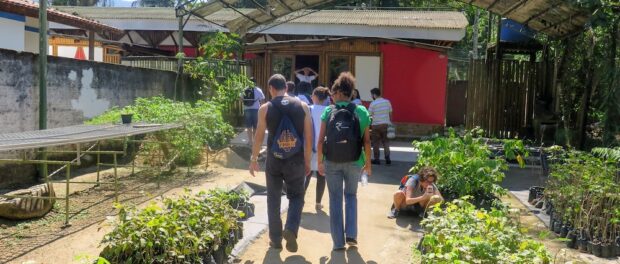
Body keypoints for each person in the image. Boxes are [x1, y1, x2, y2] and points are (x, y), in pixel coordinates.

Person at [249, 74, 313, 253]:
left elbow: (259, 136)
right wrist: (307, 161)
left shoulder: (265, 108)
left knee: (273, 198)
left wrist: (254, 159)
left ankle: (275, 240)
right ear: (286, 87)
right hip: (296, 160)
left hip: (274, 160)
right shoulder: (303, 106)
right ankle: (291, 229)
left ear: (270, 89)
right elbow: (308, 137)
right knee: (297, 196)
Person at [317, 72, 372, 250]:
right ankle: (352, 235)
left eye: (332, 94)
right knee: (351, 196)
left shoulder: (328, 111)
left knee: (334, 199)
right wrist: (368, 164)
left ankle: (338, 243)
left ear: (339, 93)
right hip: (355, 161)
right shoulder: (361, 111)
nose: (331, 97)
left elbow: (320, 140)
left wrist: (319, 162)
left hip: (331, 161)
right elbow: (367, 141)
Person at [305, 86, 329, 210]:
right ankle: (318, 203)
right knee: (321, 176)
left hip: (309, 147)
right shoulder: (329, 110)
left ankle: (300, 201)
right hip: (324, 149)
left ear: (314, 96)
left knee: (306, 174)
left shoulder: (308, 109)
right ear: (325, 98)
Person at [368, 88, 392, 165]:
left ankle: (377, 159)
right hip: (385, 124)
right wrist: (389, 121)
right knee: (386, 142)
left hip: (376, 126)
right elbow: (390, 113)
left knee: (376, 143)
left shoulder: (373, 103)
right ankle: (387, 158)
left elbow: (369, 115)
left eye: (372, 95)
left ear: (374, 95)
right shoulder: (387, 102)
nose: (371, 96)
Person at [241, 77, 265, 147]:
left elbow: (240, 98)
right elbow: (262, 100)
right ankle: (254, 141)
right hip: (256, 110)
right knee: (255, 126)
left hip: (247, 109)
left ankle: (250, 142)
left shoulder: (245, 89)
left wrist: (246, 103)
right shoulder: (258, 90)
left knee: (248, 126)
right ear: (255, 83)